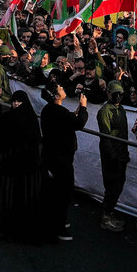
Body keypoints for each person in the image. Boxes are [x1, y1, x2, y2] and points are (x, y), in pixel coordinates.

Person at [0, 89, 46, 241]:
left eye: (19, 102)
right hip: (10, 168)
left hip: (25, 169)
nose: (16, 104)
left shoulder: (30, 120)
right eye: (14, 101)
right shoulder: (9, 117)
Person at [40, 80, 88, 241]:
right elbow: (78, 123)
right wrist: (83, 107)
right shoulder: (57, 112)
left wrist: (74, 113)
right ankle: (59, 226)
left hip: (52, 156)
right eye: (60, 87)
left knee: (58, 191)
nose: (62, 88)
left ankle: (58, 221)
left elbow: (67, 120)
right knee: (63, 193)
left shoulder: (50, 110)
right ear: (55, 95)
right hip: (61, 158)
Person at [97, 80, 130, 232]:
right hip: (111, 155)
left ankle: (109, 213)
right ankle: (106, 216)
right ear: (109, 93)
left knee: (118, 185)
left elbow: (124, 133)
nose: (118, 97)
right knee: (112, 186)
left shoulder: (121, 109)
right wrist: (113, 156)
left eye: (121, 94)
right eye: (116, 94)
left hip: (121, 153)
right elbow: (105, 136)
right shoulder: (105, 111)